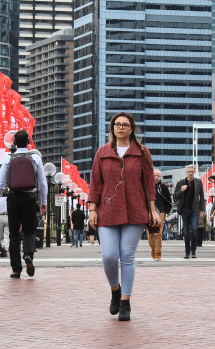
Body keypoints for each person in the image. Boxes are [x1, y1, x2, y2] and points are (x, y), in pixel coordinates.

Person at [88, 112, 160, 322]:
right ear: (112, 128)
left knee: (127, 256)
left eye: (125, 125)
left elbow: (149, 183)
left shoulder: (142, 152)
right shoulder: (102, 152)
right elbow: (96, 182)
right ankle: (115, 289)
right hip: (106, 210)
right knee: (109, 256)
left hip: (135, 210)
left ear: (131, 129)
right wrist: (92, 210)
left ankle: (125, 302)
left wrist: (152, 209)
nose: (120, 127)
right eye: (117, 124)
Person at [0, 129, 48, 279]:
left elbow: (0, 182)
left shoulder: (8, 159)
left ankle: (16, 269)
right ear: (29, 142)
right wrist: (44, 201)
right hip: (30, 197)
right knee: (29, 230)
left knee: (14, 233)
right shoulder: (35, 158)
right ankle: (28, 255)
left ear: (14, 142)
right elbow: (42, 182)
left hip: (13, 198)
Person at [173, 164, 205, 259]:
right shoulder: (181, 182)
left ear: (194, 172)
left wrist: (201, 210)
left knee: (195, 230)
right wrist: (181, 190)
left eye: (192, 171)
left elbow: (202, 197)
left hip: (195, 210)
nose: (190, 173)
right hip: (184, 210)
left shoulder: (198, 182)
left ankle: (193, 251)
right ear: (187, 172)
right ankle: (187, 252)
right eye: (189, 171)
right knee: (186, 233)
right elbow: (175, 196)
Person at [150, 169, 171, 260]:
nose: (156, 177)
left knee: (158, 233)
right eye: (155, 175)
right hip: (150, 211)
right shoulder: (148, 186)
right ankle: (153, 249)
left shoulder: (163, 187)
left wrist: (166, 212)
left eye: (158, 175)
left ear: (161, 177)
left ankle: (158, 253)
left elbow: (169, 201)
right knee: (151, 234)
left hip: (161, 211)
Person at [0, 190, 10, 258]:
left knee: (1, 235)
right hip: (7, 216)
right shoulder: (9, 199)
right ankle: (6, 249)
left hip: (0, 216)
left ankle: (2, 246)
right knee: (7, 234)